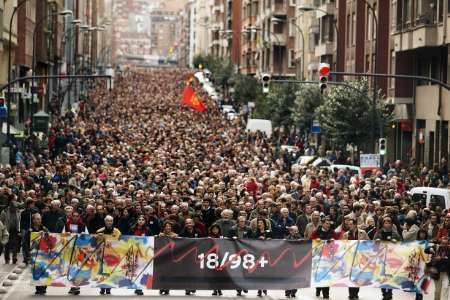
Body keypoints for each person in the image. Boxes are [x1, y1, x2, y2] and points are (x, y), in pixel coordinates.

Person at [374, 215, 402, 300]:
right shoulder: (378, 232)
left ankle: (389, 292)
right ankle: (383, 292)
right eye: (385, 222)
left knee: (390, 275)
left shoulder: (395, 233)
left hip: (391, 258)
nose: (387, 223)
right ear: (383, 223)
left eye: (389, 222)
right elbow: (373, 243)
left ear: (391, 223)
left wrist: (396, 242)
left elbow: (401, 243)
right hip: (381, 257)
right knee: (381, 275)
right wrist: (377, 241)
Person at [310, 217, 338, 299]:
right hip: (318, 257)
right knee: (319, 274)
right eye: (326, 223)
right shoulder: (316, 232)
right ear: (322, 224)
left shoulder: (332, 232)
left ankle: (326, 293)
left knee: (326, 275)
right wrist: (316, 240)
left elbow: (337, 242)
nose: (328, 225)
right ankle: (318, 289)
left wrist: (334, 240)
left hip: (328, 257)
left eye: (329, 224)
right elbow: (310, 240)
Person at [342, 218, 369, 299]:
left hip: (360, 257)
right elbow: (343, 245)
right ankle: (351, 294)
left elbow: (368, 242)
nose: (349, 226)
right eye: (348, 224)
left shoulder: (362, 232)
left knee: (358, 276)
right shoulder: (346, 234)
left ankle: (356, 293)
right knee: (350, 277)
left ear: (355, 224)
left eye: (350, 224)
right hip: (350, 257)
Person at [96, 215, 121, 295]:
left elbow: (119, 241)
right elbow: (96, 243)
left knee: (110, 271)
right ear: (105, 222)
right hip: (102, 254)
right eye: (108, 221)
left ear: (112, 222)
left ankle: (108, 287)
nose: (109, 222)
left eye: (111, 221)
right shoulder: (100, 231)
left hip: (112, 254)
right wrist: (98, 238)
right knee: (101, 271)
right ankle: (102, 287)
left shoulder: (117, 231)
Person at [130, 215, 150, 296]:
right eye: (139, 219)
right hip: (133, 252)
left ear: (145, 221)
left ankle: (139, 288)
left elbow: (151, 239)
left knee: (142, 270)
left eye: (143, 219)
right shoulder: (132, 229)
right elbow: (127, 238)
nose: (141, 221)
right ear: (137, 221)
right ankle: (135, 286)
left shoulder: (147, 230)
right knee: (134, 270)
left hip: (143, 253)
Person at [30, 213, 49, 295]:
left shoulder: (44, 228)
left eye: (39, 219)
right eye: (36, 219)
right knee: (36, 270)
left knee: (44, 270)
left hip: (44, 253)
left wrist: (44, 234)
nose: (38, 220)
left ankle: (44, 287)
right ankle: (38, 288)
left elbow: (50, 238)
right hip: (34, 253)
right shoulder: (30, 230)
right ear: (33, 220)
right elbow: (27, 242)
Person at [252, 218, 271, 297]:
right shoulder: (255, 232)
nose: (259, 224)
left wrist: (268, 239)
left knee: (265, 272)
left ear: (264, 224)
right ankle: (259, 289)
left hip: (267, 254)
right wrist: (258, 239)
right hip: (258, 254)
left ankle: (265, 287)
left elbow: (273, 240)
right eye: (258, 223)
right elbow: (252, 241)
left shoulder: (269, 231)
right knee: (258, 272)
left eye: (261, 223)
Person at [158, 221, 178, 295]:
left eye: (169, 226)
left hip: (170, 256)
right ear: (164, 227)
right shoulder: (161, 235)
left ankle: (167, 288)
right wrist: (158, 236)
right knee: (161, 272)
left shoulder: (175, 235)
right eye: (166, 226)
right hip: (162, 256)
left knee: (168, 272)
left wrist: (176, 237)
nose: (168, 227)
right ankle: (161, 287)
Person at [285, 226, 301, 298]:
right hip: (288, 261)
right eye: (294, 231)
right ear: (290, 231)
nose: (295, 232)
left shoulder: (300, 238)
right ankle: (287, 291)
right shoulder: (287, 238)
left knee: (296, 276)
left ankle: (294, 291)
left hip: (297, 260)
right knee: (288, 276)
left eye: (296, 231)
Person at [208, 224, 223, 296]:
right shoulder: (209, 237)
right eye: (213, 229)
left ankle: (220, 289)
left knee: (220, 274)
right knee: (213, 274)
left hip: (220, 256)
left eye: (216, 229)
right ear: (211, 230)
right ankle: (214, 289)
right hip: (211, 257)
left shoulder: (222, 237)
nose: (215, 231)